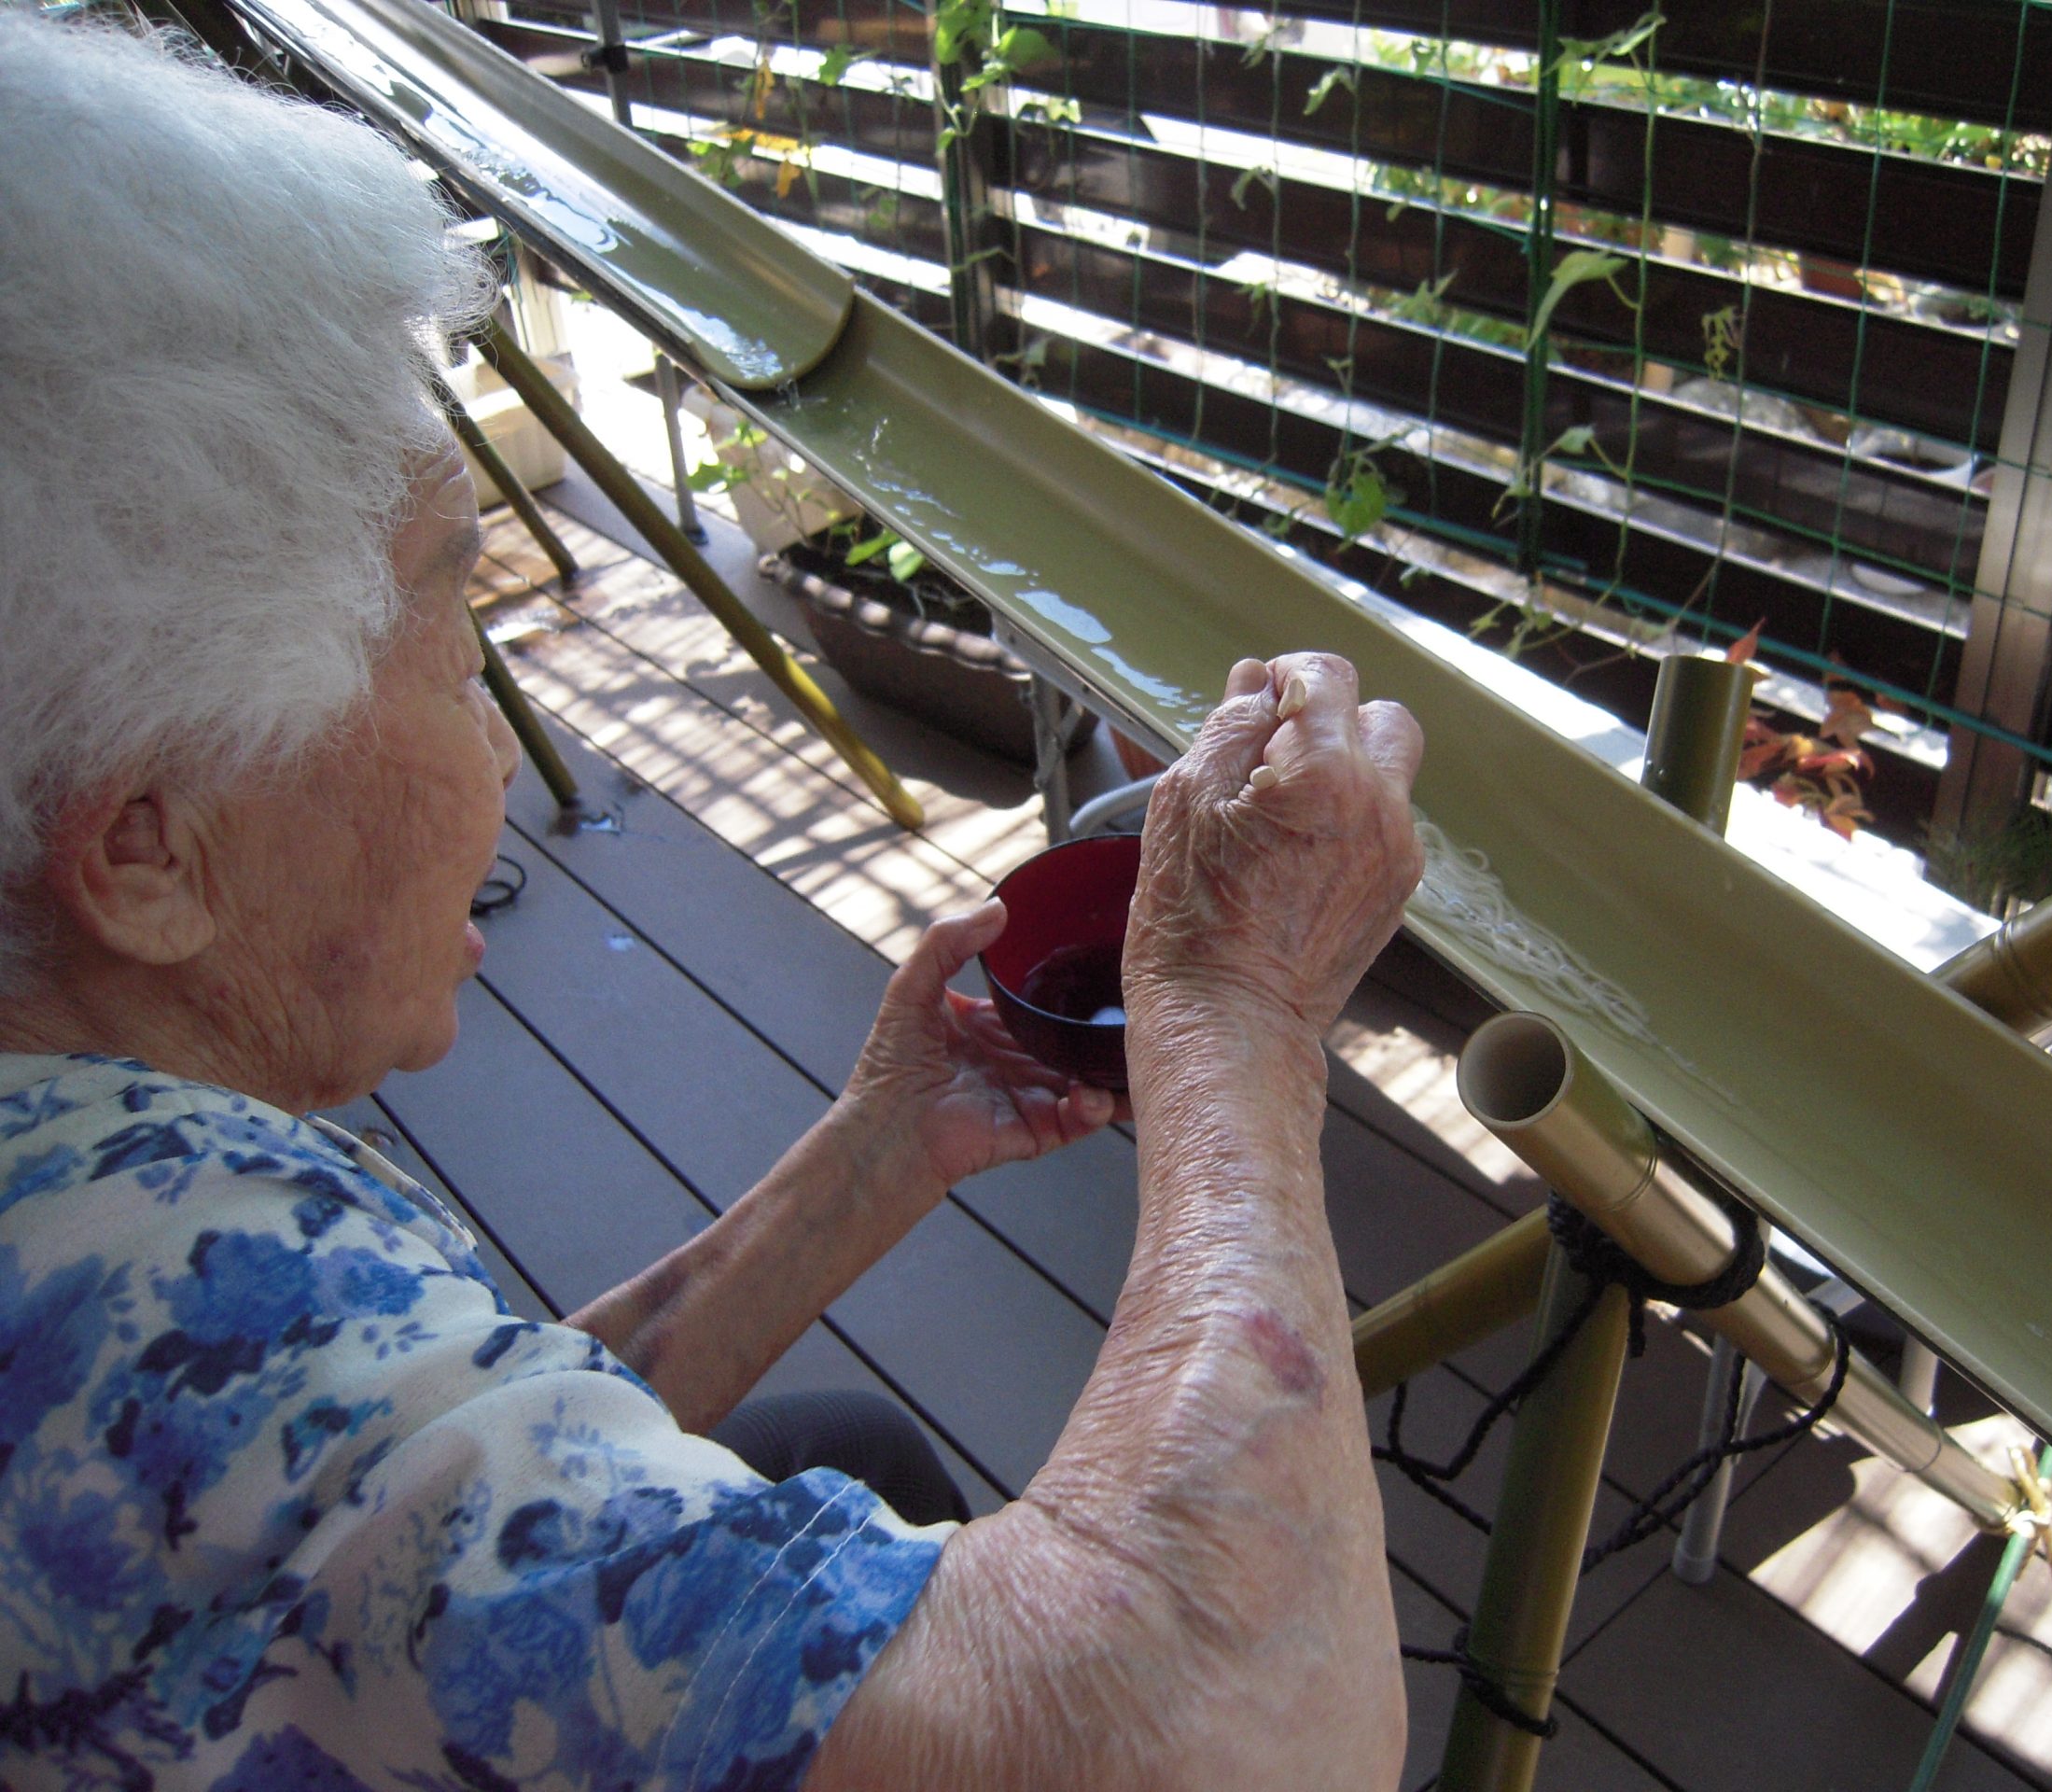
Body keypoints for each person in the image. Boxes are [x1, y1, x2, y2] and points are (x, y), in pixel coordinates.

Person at [0, 8, 1423, 1789]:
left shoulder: (102, 1200)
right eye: (462, 644)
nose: (504, 749)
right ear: (143, 851)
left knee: (860, 1461)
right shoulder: (177, 1317)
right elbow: (1218, 1741)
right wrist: (1241, 1009)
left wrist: (880, 1150)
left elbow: (447, 1484)